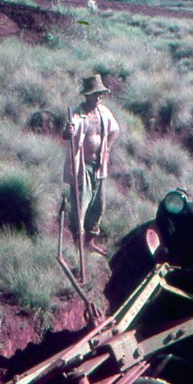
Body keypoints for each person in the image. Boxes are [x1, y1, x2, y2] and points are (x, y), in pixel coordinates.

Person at [63, 74, 120, 255]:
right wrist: (68, 131)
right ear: (87, 95)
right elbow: (68, 132)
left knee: (98, 206)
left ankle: (90, 241)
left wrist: (107, 148)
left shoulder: (104, 112)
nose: (98, 98)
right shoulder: (79, 114)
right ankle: (77, 245)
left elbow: (114, 130)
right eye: (95, 94)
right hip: (82, 168)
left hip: (99, 167)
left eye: (100, 94)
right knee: (80, 206)